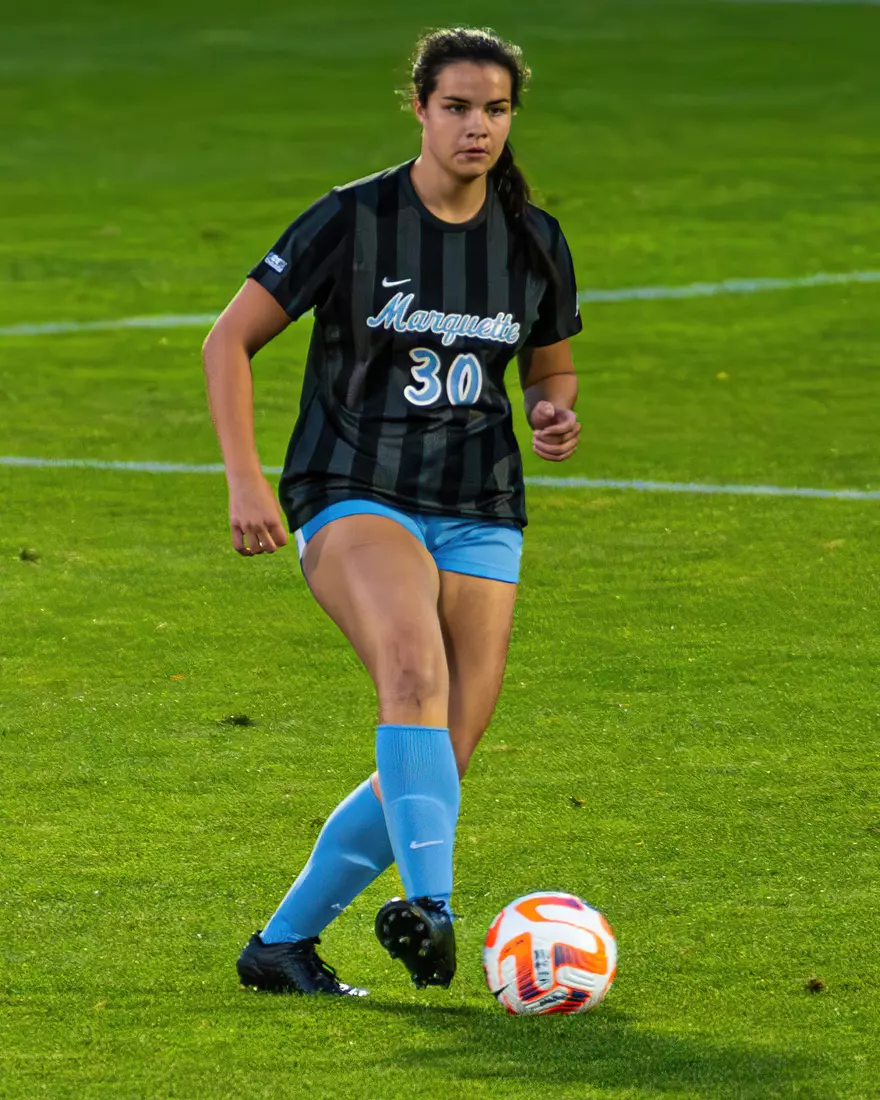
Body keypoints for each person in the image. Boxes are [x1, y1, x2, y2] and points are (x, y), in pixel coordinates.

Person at [202, 25, 582, 998]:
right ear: (418, 108)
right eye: (456, 107)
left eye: (494, 110)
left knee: (441, 755)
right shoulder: (352, 220)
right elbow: (227, 341)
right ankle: (435, 907)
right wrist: (247, 480)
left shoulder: (533, 238)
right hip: (352, 488)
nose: (477, 127)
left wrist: (552, 410)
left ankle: (280, 947)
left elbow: (550, 361)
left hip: (482, 504)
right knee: (412, 673)